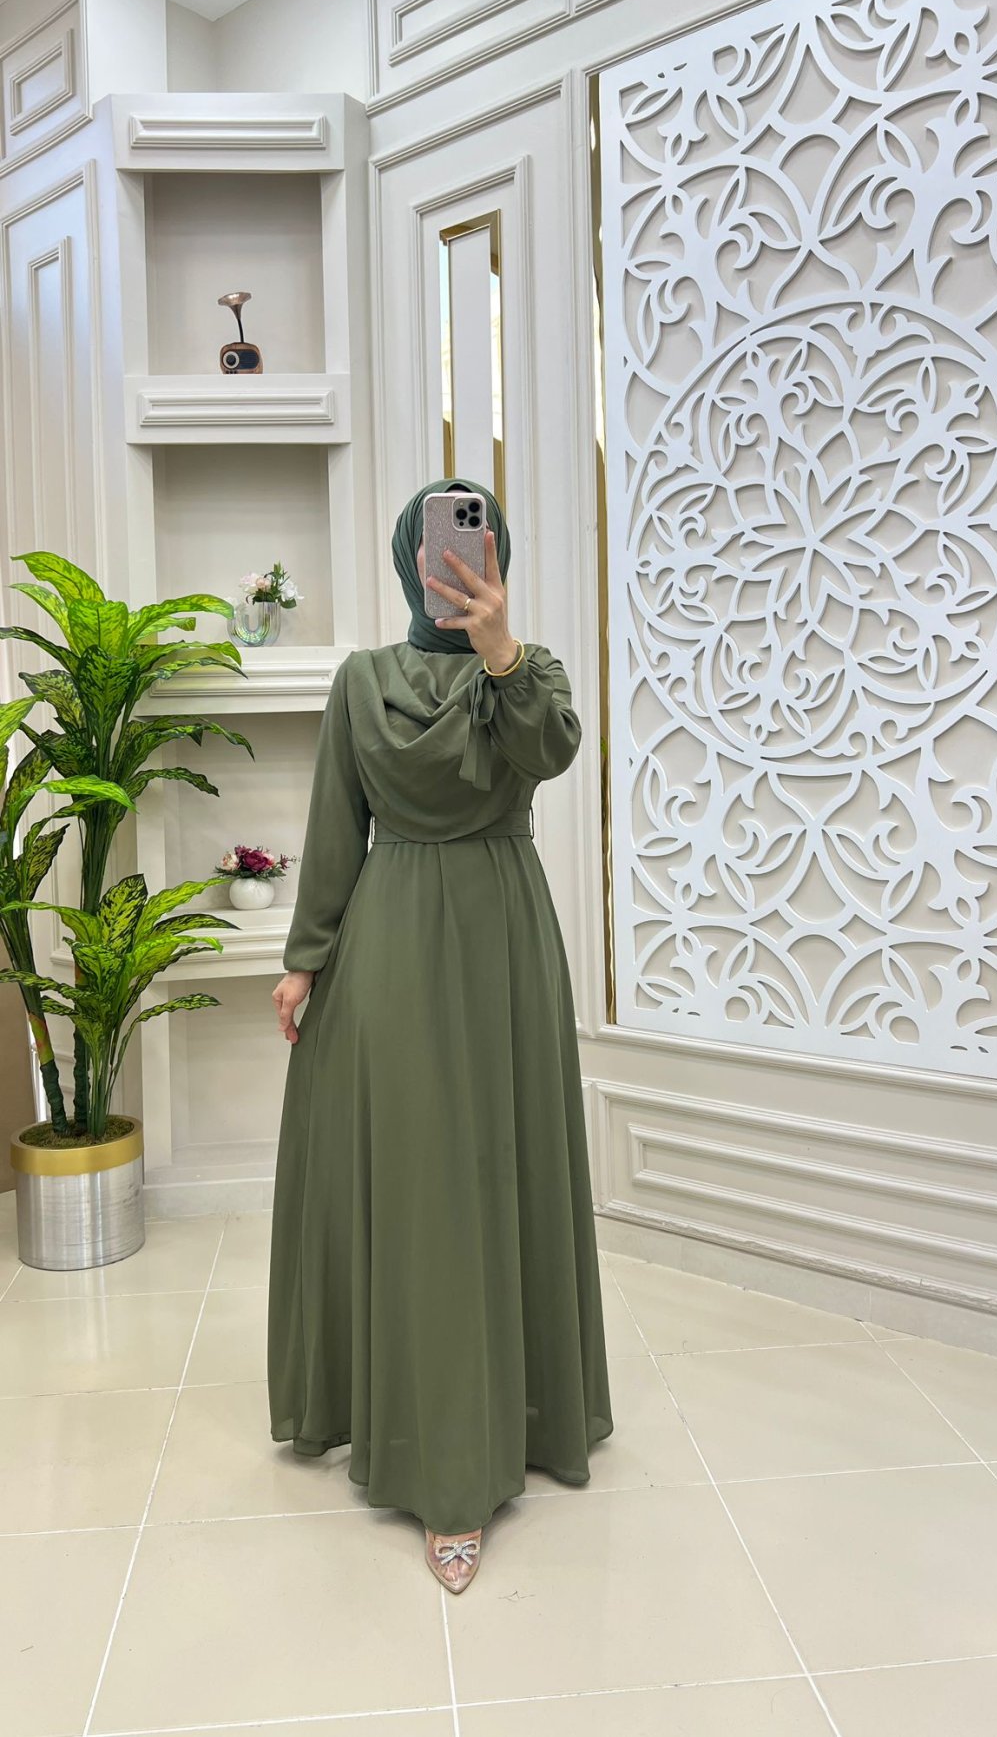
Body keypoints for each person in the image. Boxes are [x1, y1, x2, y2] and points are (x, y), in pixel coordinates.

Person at [268, 476, 613, 1593]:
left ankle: (514, 1416)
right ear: (407, 555)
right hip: (394, 947)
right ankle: (434, 1453)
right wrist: (303, 958)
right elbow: (335, 823)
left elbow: (552, 750)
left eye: (475, 538)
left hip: (502, 945)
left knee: (495, 1170)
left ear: (496, 553)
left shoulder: (530, 672)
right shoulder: (361, 680)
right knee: (422, 1189)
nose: (454, 558)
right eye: (438, 540)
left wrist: (499, 647)